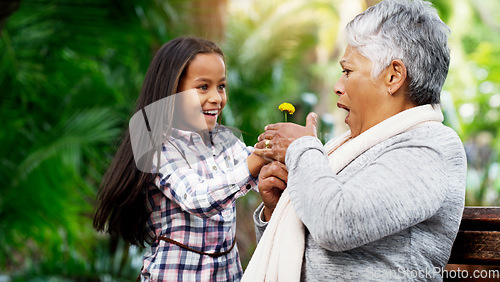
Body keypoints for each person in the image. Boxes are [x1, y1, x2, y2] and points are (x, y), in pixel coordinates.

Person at [244, 0, 467, 281]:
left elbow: (337, 224)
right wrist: (279, 208)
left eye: (347, 71)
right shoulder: (353, 146)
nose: (338, 86)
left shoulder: (431, 148)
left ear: (393, 76)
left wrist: (302, 148)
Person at [93, 37, 267, 281]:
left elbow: (262, 172)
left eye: (221, 86)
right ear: (172, 90)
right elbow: (198, 199)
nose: (217, 98)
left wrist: (281, 154)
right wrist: (256, 163)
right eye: (203, 87)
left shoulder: (225, 141)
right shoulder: (158, 148)